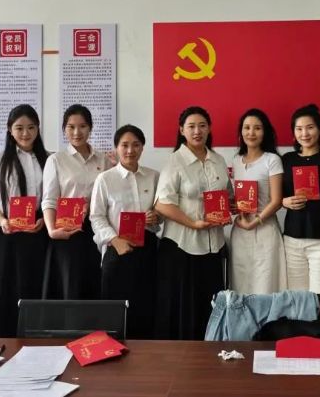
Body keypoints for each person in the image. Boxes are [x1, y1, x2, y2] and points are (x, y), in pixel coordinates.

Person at [154, 106, 230, 340]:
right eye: (191, 126)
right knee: (185, 309)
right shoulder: (174, 161)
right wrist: (192, 223)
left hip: (213, 245)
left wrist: (234, 208)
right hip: (182, 246)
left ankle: (210, 349)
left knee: (210, 305)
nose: (197, 131)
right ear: (182, 130)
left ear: (209, 128)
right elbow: (162, 204)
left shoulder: (218, 160)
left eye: (202, 126)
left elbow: (226, 196)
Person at [0, 104, 49, 337]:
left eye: (31, 127)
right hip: (6, 233)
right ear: (9, 129)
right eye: (19, 128)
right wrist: (1, 219)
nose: (25, 133)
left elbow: (55, 197)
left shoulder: (49, 160)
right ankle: (1, 340)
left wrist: (45, 220)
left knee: (35, 287)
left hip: (38, 232)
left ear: (38, 129)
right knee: (3, 291)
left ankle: (36, 339)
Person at [90, 124, 160, 339]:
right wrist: (114, 239)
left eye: (136, 145)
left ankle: (146, 354)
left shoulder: (154, 176)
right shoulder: (105, 179)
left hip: (147, 249)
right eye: (125, 145)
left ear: (143, 147)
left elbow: (162, 210)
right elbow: (96, 216)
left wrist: (156, 216)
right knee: (115, 310)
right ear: (116, 148)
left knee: (146, 307)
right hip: (117, 250)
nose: (130, 150)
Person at [281, 104, 320, 325]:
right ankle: (301, 344)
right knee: (299, 302)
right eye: (299, 129)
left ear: (319, 129)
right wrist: (284, 201)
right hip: (292, 240)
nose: (305, 133)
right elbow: (275, 197)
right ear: (293, 132)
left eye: (310, 127)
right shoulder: (287, 160)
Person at [42, 104, 113, 300]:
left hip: (95, 229)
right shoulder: (56, 160)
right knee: (69, 286)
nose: (76, 132)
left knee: (93, 283)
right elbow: (49, 200)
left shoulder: (104, 160)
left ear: (90, 128)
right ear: (64, 129)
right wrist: (52, 230)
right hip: (66, 230)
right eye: (71, 127)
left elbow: (110, 196)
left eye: (82, 126)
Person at [229, 109, 286, 294]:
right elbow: (236, 196)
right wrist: (232, 208)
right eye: (246, 128)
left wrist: (256, 221)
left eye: (257, 128)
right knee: (240, 286)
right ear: (241, 132)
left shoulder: (272, 160)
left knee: (265, 287)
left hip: (264, 230)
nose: (251, 133)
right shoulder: (236, 161)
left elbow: (276, 200)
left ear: (265, 131)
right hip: (240, 231)